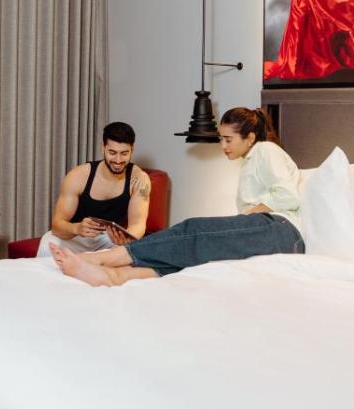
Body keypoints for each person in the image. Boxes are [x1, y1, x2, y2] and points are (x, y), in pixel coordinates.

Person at [50, 107, 303, 286]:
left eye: (228, 139)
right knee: (188, 254)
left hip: (281, 230)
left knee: (193, 229)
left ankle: (99, 259)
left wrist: (249, 213)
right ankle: (115, 277)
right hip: (269, 232)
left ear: (250, 138)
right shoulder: (250, 162)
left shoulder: (266, 150)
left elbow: (288, 196)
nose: (223, 146)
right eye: (221, 139)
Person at [38, 121, 152, 257]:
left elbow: (138, 224)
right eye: (112, 152)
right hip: (77, 236)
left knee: (129, 253)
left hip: (109, 240)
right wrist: (77, 228)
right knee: (48, 243)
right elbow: (57, 225)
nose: (118, 160)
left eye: (124, 153)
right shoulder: (78, 175)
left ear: (132, 149)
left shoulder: (140, 179)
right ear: (103, 148)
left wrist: (126, 239)